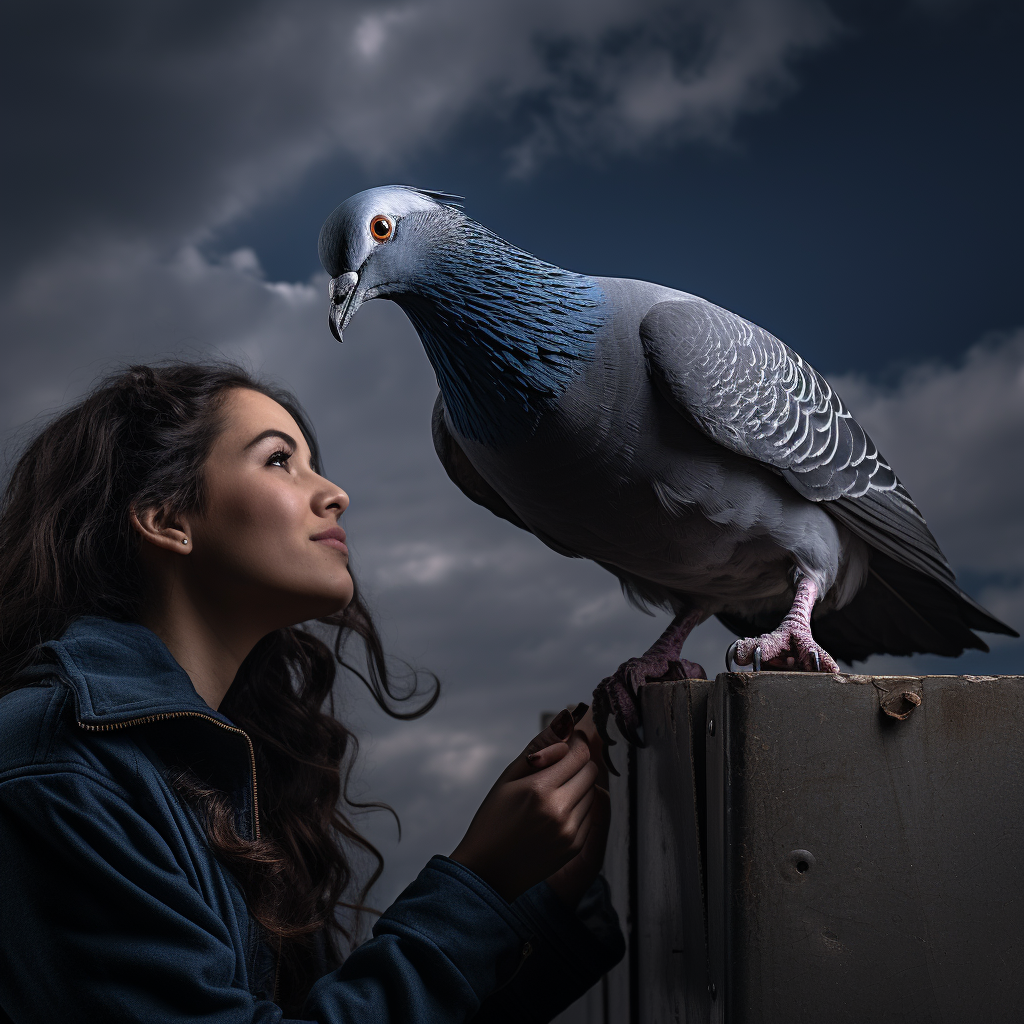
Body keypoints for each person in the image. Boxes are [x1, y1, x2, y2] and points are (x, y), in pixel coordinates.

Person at [0, 362, 624, 1023]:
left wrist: (531, 901)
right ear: (166, 519)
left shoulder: (205, 767)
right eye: (279, 461)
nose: (334, 493)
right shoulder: (57, 769)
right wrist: (479, 885)